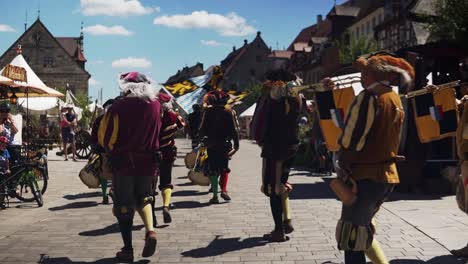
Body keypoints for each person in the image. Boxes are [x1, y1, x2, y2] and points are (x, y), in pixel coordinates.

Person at [333, 53, 414, 264]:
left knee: (352, 237)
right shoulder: (394, 97)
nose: (361, 77)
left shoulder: (369, 97)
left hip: (364, 176)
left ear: (371, 74)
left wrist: (342, 159)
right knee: (363, 230)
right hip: (386, 176)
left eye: (364, 73)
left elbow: (353, 137)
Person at [98, 72, 162, 262]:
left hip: (125, 162)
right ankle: (150, 231)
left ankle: (128, 250)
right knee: (145, 198)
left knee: (123, 206)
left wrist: (109, 152)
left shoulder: (118, 107)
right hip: (149, 162)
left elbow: (106, 138)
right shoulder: (156, 105)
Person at [253, 69, 302, 242]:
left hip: (275, 149)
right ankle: (287, 220)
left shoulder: (272, 100)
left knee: (273, 189)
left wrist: (259, 139)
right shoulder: (297, 98)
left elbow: (260, 123)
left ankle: (279, 230)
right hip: (291, 146)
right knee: (280, 184)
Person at [199, 90, 239, 204]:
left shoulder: (208, 112)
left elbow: (201, 130)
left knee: (213, 169)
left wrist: (202, 140)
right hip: (225, 144)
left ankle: (215, 196)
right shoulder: (229, 112)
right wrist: (236, 145)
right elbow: (235, 130)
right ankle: (224, 190)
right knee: (224, 168)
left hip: (211, 144)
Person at [157, 93, 186, 223]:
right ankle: (166, 205)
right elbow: (182, 125)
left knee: (150, 184)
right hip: (168, 151)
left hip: (152, 152)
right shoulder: (173, 115)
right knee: (166, 181)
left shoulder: (152, 115)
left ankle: (151, 214)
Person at [90, 98, 116, 205]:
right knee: (116, 172)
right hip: (114, 149)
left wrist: (94, 147)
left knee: (103, 173)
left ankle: (105, 195)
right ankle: (112, 190)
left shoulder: (99, 119)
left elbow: (93, 136)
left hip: (102, 149)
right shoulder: (116, 119)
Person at [0, 136, 11, 209]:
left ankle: (1, 202)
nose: (4, 146)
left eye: (5, 144)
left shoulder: (6, 151)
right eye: (2, 144)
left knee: (3, 188)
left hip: (3, 172)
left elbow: (7, 161)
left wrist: (8, 169)